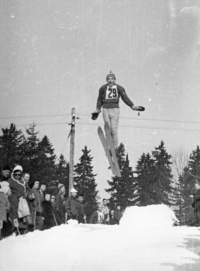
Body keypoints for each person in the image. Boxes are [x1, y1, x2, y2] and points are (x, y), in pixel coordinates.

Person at [92, 71, 142, 149]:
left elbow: (125, 98)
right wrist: (97, 109)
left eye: (112, 79)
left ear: (115, 80)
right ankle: (109, 146)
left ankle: (115, 147)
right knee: (107, 127)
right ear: (106, 80)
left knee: (113, 129)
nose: (110, 81)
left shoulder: (119, 88)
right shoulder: (103, 88)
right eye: (108, 79)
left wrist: (132, 106)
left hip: (115, 109)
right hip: (105, 109)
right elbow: (99, 100)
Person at [7, 165, 30, 234]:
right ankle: (15, 229)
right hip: (13, 201)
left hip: (22, 201)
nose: (17, 176)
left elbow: (29, 190)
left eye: (19, 174)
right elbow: (6, 189)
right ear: (13, 174)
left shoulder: (23, 182)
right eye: (15, 174)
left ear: (21, 174)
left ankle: (23, 231)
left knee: (23, 216)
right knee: (14, 216)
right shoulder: (10, 180)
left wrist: (27, 194)